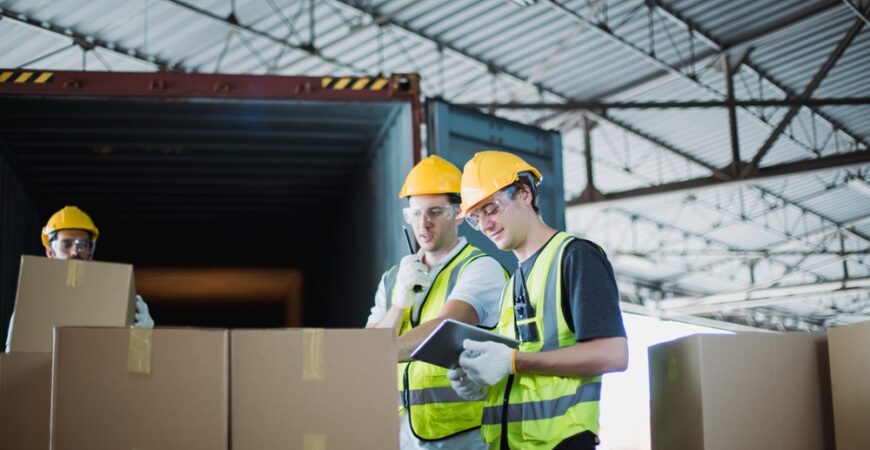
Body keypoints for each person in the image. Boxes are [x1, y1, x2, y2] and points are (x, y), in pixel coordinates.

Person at [449, 151, 628, 450]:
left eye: (491, 209)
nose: (485, 225)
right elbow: (520, 374)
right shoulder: (513, 283)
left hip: (562, 442)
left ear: (523, 193)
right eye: (475, 218)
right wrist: (482, 381)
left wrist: (514, 361)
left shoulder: (575, 257)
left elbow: (614, 354)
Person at [366, 155, 507, 450]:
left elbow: (444, 329)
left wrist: (372, 354)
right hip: (401, 436)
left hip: (462, 436)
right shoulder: (394, 279)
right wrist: (399, 305)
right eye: (415, 214)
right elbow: (368, 345)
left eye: (435, 212)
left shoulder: (479, 268)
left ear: (458, 213)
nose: (423, 223)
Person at [5, 206, 154, 351]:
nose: (76, 251)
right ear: (50, 252)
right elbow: (14, 362)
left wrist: (143, 336)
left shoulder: (116, 299)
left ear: (90, 252)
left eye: (83, 245)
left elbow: (138, 364)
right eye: (66, 244)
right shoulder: (33, 305)